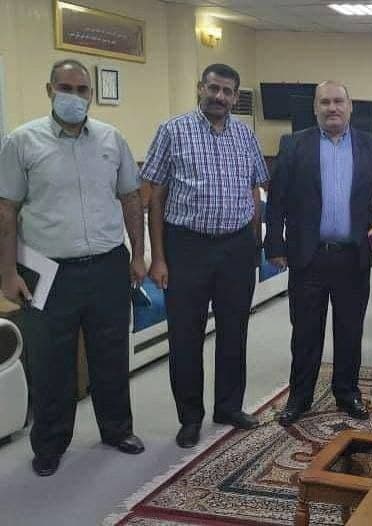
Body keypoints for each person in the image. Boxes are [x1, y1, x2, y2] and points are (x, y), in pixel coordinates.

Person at [0, 59, 146, 475]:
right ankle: (49, 444)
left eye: (82, 90)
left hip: (107, 266)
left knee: (111, 354)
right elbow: (6, 209)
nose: (74, 97)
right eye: (66, 88)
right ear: (50, 91)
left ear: (91, 96)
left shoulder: (111, 139)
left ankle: (117, 429)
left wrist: (138, 255)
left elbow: (131, 199)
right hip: (46, 270)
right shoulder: (21, 142)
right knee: (51, 361)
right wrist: (7, 274)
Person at [141, 63, 269, 448]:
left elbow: (254, 188)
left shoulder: (245, 135)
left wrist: (254, 242)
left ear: (235, 96)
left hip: (236, 248)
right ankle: (190, 417)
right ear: (201, 88)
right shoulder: (172, 130)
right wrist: (158, 257)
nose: (219, 97)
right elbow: (155, 196)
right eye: (213, 88)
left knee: (234, 331)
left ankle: (228, 407)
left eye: (227, 91)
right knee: (186, 335)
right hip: (187, 247)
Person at [266, 81, 372, 426]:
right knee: (305, 333)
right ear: (315, 108)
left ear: (350, 107)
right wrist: (274, 244)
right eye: (325, 102)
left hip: (353, 257)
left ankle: (347, 393)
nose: (332, 108)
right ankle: (299, 398)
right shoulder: (293, 145)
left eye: (338, 101)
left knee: (350, 331)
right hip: (308, 257)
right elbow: (276, 201)